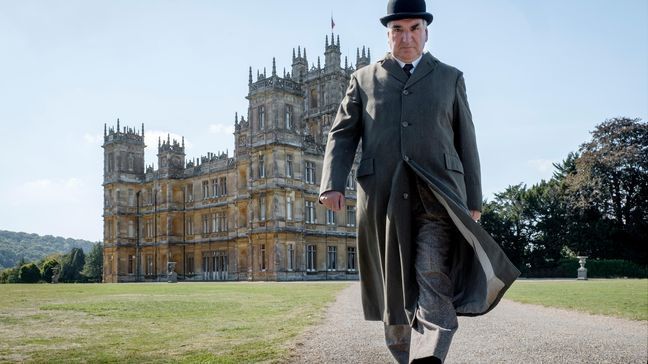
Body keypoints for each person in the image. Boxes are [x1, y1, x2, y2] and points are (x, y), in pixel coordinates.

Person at [319, 0, 520, 362]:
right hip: (384, 195)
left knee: (432, 274)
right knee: (393, 286)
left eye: (414, 28)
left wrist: (474, 199)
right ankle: (402, 354)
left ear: (426, 32)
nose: (406, 37)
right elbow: (342, 134)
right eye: (398, 29)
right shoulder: (363, 79)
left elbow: (466, 141)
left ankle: (429, 356)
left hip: (438, 194)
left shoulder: (450, 77)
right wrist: (331, 182)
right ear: (388, 34)